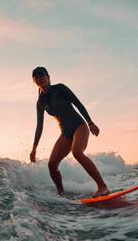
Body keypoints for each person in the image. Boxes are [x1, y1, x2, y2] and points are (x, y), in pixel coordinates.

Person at [29, 66, 110, 198]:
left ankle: (102, 186)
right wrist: (34, 148)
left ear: (48, 77)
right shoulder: (40, 102)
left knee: (77, 152)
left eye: (41, 75)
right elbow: (39, 126)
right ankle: (61, 194)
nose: (39, 78)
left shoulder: (60, 88)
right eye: (35, 77)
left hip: (80, 126)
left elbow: (78, 103)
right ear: (34, 81)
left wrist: (90, 122)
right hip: (66, 133)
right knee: (52, 164)